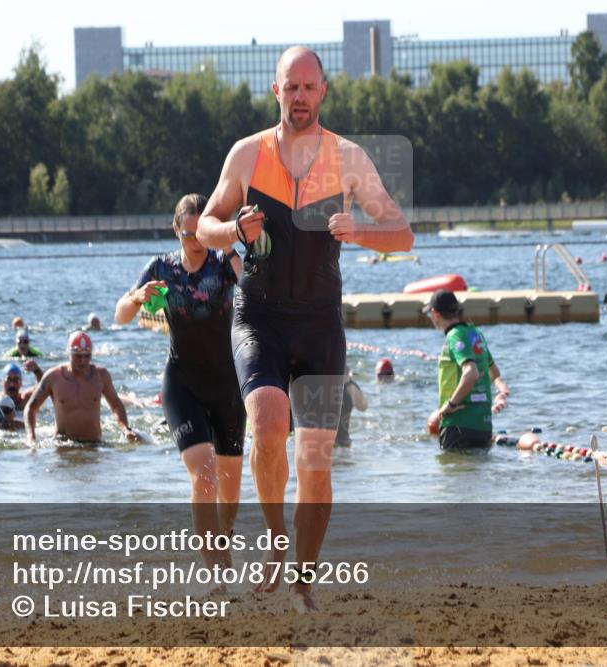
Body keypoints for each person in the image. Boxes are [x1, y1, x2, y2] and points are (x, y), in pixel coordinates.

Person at [195, 46, 414, 611]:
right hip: (260, 316)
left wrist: (359, 230)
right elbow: (204, 223)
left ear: (322, 93)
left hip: (319, 325)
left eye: (308, 87)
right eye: (290, 87)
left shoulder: (349, 159)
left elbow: (403, 233)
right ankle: (274, 540)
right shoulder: (247, 155)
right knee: (267, 423)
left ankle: (303, 581)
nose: (299, 97)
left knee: (314, 462)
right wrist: (234, 230)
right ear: (276, 92)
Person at [115, 193, 246, 573]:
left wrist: (238, 251)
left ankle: (224, 542)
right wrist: (138, 297)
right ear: (176, 230)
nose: (194, 241)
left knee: (230, 489)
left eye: (200, 233)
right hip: (182, 382)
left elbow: (256, 289)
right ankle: (214, 572)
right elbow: (120, 314)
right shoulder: (161, 267)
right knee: (204, 476)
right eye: (187, 234)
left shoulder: (224, 261)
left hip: (228, 384)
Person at [425, 290, 510, 450]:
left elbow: (471, 373)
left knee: (453, 472)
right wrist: (501, 387)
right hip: (483, 426)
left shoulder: (454, 336)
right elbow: (494, 372)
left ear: (435, 313)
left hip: (458, 423)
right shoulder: (475, 333)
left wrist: (450, 405)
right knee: (476, 472)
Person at [24, 331, 139, 446]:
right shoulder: (54, 377)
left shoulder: (101, 376)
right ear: (69, 353)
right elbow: (31, 407)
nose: (83, 360)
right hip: (63, 446)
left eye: (87, 355)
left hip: (94, 445)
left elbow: (116, 405)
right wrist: (31, 437)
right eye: (78, 356)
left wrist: (125, 429)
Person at [334, 368, 367, 447]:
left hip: (343, 442)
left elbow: (363, 407)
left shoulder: (349, 382)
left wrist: (348, 383)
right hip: (322, 439)